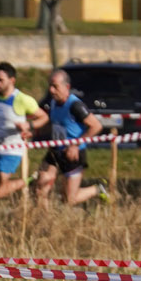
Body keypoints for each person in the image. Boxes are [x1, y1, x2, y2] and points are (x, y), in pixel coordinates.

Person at [32, 68, 109, 209]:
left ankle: (97, 189)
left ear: (66, 87)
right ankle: (44, 220)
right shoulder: (53, 102)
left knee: (69, 199)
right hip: (55, 151)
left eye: (55, 86)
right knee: (40, 187)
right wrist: (35, 131)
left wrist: (75, 145)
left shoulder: (75, 105)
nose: (51, 90)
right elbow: (56, 124)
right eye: (50, 86)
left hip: (73, 155)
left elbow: (96, 126)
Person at [0, 62, 43, 211]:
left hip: (11, 151)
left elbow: (43, 117)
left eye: (0, 80)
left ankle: (27, 181)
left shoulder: (22, 99)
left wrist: (29, 125)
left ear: (12, 80)